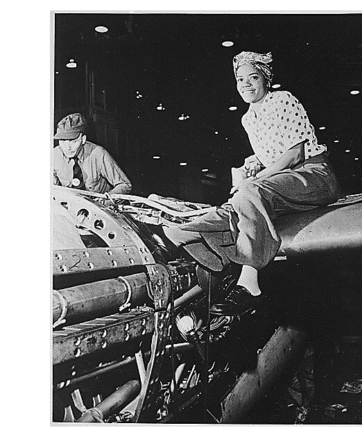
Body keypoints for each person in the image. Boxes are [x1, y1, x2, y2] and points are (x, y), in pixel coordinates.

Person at [163, 51, 341, 316]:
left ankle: (250, 282)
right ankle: (217, 263)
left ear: (265, 80)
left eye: (253, 77)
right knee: (211, 217)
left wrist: (255, 178)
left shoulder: (283, 99)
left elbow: (295, 153)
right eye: (240, 79)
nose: (245, 84)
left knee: (248, 192)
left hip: (315, 176)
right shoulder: (248, 118)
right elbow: (273, 150)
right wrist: (253, 162)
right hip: (284, 182)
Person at [52, 112, 132, 194]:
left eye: (73, 141)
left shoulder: (98, 154)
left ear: (83, 139)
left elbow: (125, 184)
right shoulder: (54, 156)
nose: (67, 147)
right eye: (62, 141)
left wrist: (106, 201)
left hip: (99, 204)